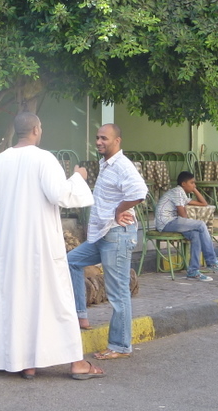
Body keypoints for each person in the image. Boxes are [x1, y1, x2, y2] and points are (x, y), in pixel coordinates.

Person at [0, 112, 104, 381]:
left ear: (17, 131)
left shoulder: (1, 160)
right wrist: (78, 177)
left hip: (11, 243)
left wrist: (14, 214)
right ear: (37, 130)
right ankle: (76, 363)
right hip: (41, 242)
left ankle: (26, 363)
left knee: (17, 298)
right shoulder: (44, 159)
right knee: (53, 297)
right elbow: (59, 194)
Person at [67, 123, 147, 360]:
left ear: (117, 141)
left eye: (104, 138)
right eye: (97, 138)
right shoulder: (105, 164)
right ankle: (80, 314)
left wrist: (118, 210)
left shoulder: (122, 165)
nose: (99, 142)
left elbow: (139, 191)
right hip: (102, 235)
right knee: (70, 261)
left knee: (118, 292)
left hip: (117, 236)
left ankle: (121, 345)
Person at [155, 171, 218, 281]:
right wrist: (189, 225)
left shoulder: (182, 194)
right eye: (192, 183)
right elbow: (183, 215)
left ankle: (193, 271)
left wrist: (194, 189)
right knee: (200, 225)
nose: (194, 185)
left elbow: (204, 203)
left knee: (195, 234)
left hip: (173, 221)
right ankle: (211, 261)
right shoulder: (177, 192)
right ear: (183, 184)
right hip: (166, 223)